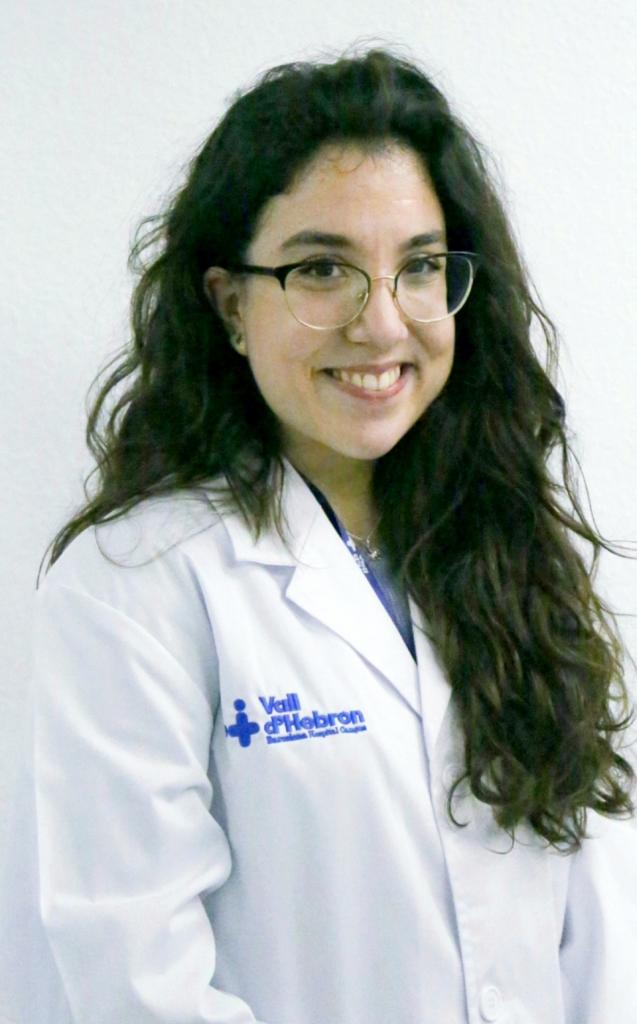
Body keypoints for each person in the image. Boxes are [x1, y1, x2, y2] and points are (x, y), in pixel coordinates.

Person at [1, 46, 636, 1024]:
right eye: (323, 269)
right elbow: (138, 987)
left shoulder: (509, 551)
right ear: (230, 305)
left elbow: (596, 945)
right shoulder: (137, 583)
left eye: (419, 267)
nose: (380, 324)